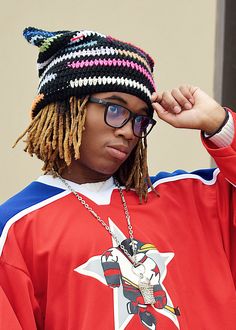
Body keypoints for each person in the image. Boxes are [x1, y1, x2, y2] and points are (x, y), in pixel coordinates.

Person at [0, 27, 235, 330]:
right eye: (115, 109)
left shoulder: (194, 199)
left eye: (140, 119)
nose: (128, 130)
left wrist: (219, 123)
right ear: (68, 108)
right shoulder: (15, 227)